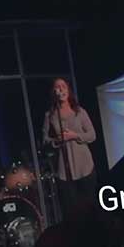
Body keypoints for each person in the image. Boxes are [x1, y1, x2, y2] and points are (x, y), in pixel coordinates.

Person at [41, 78, 98, 214]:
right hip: (64, 171)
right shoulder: (50, 116)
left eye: (63, 87)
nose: (61, 90)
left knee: (90, 208)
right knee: (71, 210)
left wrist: (75, 135)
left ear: (68, 90)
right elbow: (45, 141)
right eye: (57, 87)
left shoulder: (79, 112)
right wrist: (57, 140)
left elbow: (92, 135)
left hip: (84, 167)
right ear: (54, 92)